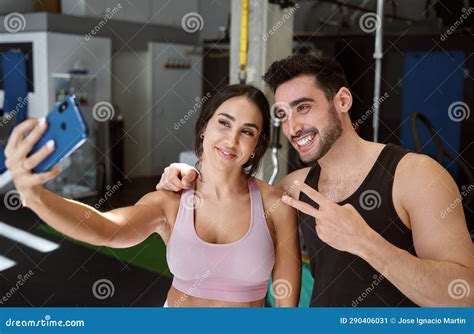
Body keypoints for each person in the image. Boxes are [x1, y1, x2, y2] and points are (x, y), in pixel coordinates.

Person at [157, 54, 474, 307]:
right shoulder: (293, 188)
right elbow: (230, 192)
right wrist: (188, 176)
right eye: (283, 115)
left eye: (304, 108)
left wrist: (365, 241)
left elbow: (464, 298)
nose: (293, 127)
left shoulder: (416, 176)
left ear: (343, 101)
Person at [4, 85, 301, 307]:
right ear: (204, 128)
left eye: (247, 132)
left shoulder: (275, 205)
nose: (231, 139)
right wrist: (35, 196)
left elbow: (289, 310)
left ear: (256, 146)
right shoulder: (171, 200)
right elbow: (106, 229)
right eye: (224, 123)